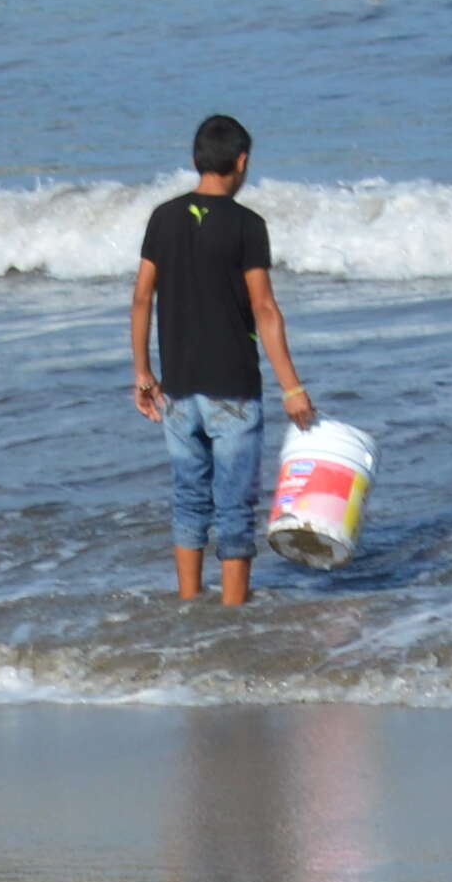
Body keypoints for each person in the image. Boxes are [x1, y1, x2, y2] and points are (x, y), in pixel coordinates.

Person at [130, 118, 317, 608]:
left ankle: (190, 609)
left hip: (178, 391)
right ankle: (233, 620)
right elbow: (265, 309)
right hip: (232, 389)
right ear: (242, 162)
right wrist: (292, 387)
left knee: (190, 501)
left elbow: (141, 298)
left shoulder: (163, 218)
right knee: (233, 508)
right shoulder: (247, 226)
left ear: (196, 160)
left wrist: (143, 373)